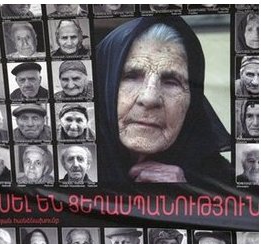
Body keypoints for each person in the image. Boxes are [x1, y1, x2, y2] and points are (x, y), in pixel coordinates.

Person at [96, 16, 233, 185]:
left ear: (192, 102)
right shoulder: (62, 175)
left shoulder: (223, 184)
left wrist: (187, 194)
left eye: (171, 82)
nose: (149, 98)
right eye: (131, 77)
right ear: (104, 86)